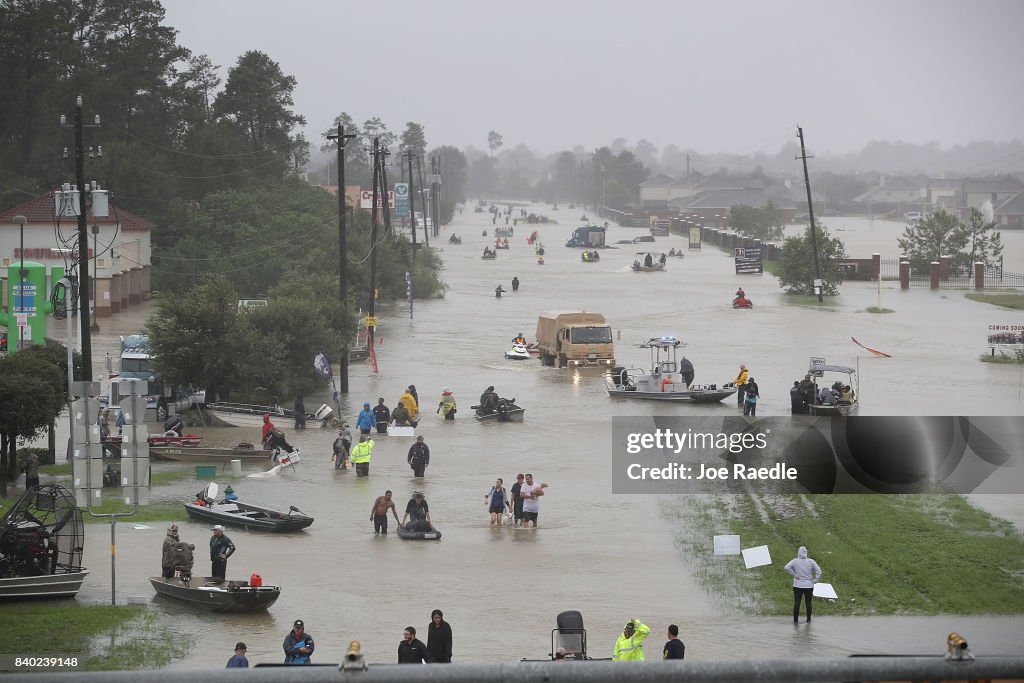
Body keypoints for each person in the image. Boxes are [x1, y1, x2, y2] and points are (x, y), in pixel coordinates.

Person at [784, 545, 822, 623]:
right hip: (809, 585)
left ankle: (795, 621)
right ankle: (808, 620)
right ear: (806, 553)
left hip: (797, 585)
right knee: (808, 602)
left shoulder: (795, 561)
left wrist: (794, 574)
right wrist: (815, 580)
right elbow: (819, 572)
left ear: (798, 552)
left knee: (797, 602)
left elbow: (786, 567)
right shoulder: (811, 561)